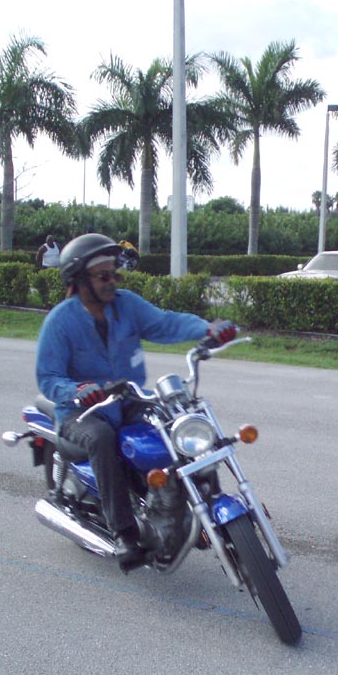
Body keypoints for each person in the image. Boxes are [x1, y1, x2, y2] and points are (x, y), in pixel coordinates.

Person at [35, 233, 236, 572]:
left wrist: (207, 329)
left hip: (126, 401)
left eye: (114, 273)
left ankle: (192, 502)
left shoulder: (125, 305)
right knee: (102, 438)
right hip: (81, 412)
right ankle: (124, 534)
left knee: (176, 421)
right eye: (103, 275)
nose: (112, 281)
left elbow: (165, 323)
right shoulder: (61, 320)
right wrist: (78, 390)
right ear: (80, 280)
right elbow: (48, 377)